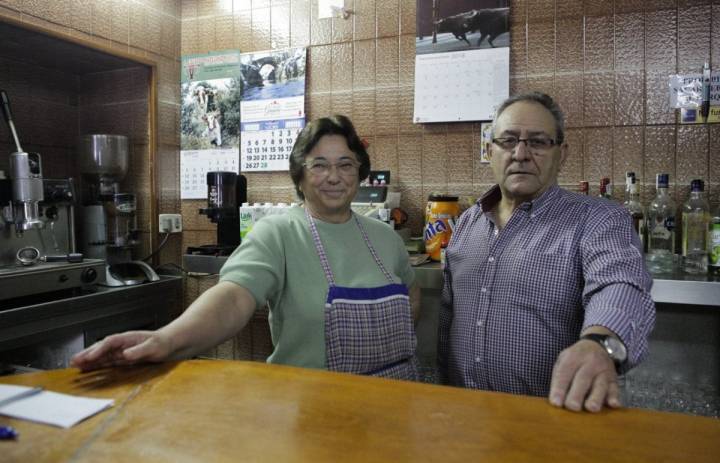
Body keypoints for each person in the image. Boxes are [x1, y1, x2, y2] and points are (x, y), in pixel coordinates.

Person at [72, 115, 421, 381]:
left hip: (389, 397)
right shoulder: (279, 233)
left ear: (360, 173)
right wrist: (167, 340)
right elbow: (233, 298)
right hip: (310, 403)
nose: (334, 176)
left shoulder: (385, 238)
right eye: (319, 165)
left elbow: (411, 297)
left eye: (346, 164)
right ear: (299, 175)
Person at [437, 92, 655, 412]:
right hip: (464, 419)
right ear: (489, 151)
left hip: (551, 420)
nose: (521, 153)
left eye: (538, 142)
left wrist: (600, 345)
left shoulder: (598, 220)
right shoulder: (468, 223)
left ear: (561, 153)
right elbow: (447, 320)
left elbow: (620, 284)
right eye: (508, 140)